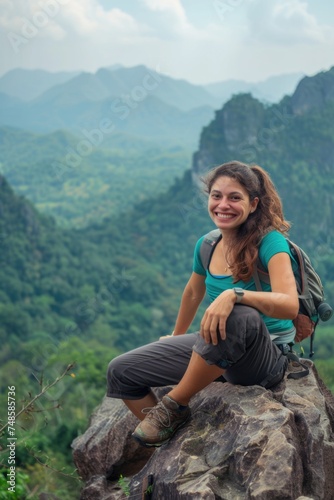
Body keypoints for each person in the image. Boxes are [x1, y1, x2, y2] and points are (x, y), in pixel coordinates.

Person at [106, 160, 299, 448]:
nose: (223, 205)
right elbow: (193, 293)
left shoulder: (271, 243)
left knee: (238, 313)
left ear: (254, 203)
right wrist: (176, 333)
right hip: (219, 348)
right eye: (217, 196)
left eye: (235, 198)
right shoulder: (208, 244)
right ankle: (174, 441)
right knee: (121, 372)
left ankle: (173, 405)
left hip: (264, 356)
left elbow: (289, 306)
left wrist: (234, 294)